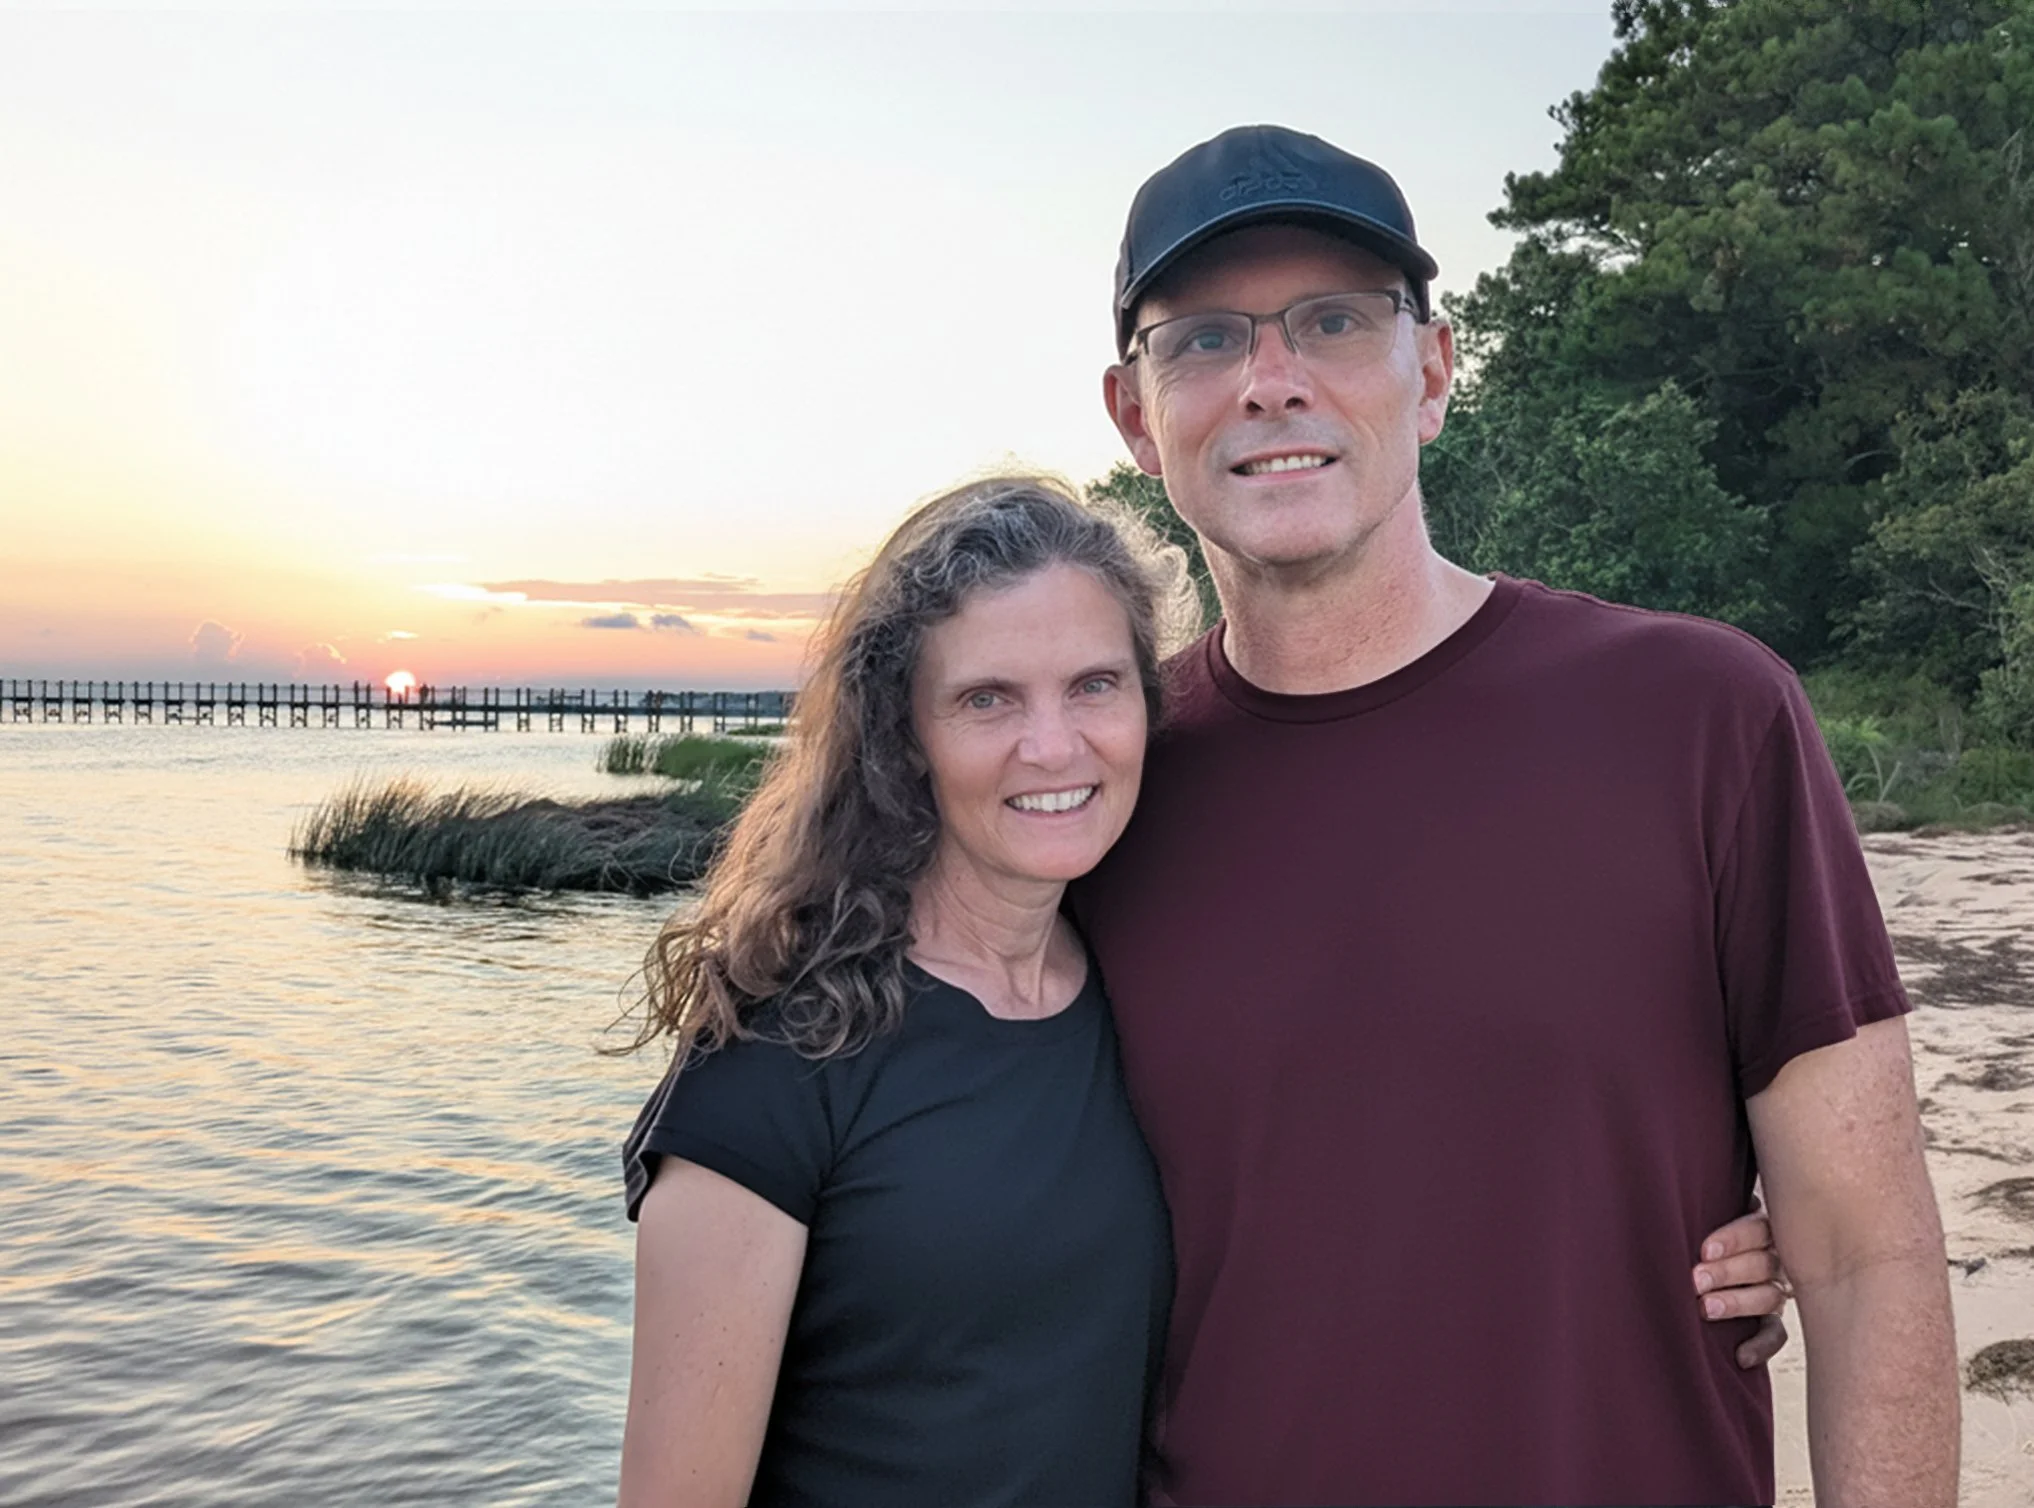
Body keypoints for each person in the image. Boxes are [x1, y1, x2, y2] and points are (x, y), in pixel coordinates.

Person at [1082, 124, 1959, 1507]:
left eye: (1333, 322)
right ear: (1135, 415)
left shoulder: (1698, 713)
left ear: (1430, 371)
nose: (1269, 382)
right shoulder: (1092, 797)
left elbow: (1863, 1252)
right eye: (1199, 339)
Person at [613, 476, 1788, 1508]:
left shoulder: (1124, 972)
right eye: (987, 698)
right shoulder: (780, 1050)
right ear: (899, 736)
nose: (1053, 744)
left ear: (1149, 702)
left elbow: (1355, 1135)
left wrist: (1669, 1238)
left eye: (1092, 685)